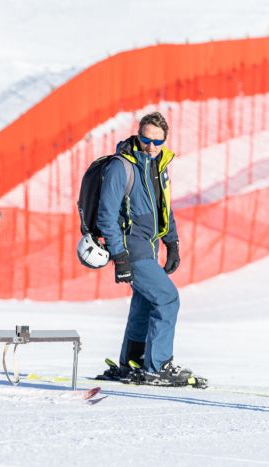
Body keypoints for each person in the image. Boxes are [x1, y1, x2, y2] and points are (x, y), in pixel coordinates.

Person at [95, 111, 188, 386]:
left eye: (157, 142)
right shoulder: (120, 167)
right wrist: (119, 255)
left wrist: (172, 241)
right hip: (131, 247)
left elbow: (164, 207)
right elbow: (106, 215)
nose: (151, 146)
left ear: (165, 141)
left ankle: (133, 361)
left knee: (145, 302)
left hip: (150, 246)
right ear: (138, 135)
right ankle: (158, 366)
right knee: (167, 298)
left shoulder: (159, 164)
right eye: (146, 139)